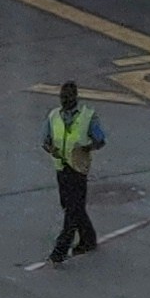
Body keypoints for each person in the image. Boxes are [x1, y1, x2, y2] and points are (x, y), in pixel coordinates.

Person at [43, 82, 107, 264]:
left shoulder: (88, 117)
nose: (64, 101)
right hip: (61, 167)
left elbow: (101, 140)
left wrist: (87, 148)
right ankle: (89, 238)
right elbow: (45, 140)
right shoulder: (53, 116)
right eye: (62, 97)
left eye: (68, 97)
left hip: (78, 169)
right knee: (70, 205)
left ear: (75, 98)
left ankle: (60, 250)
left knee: (72, 210)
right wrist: (50, 149)